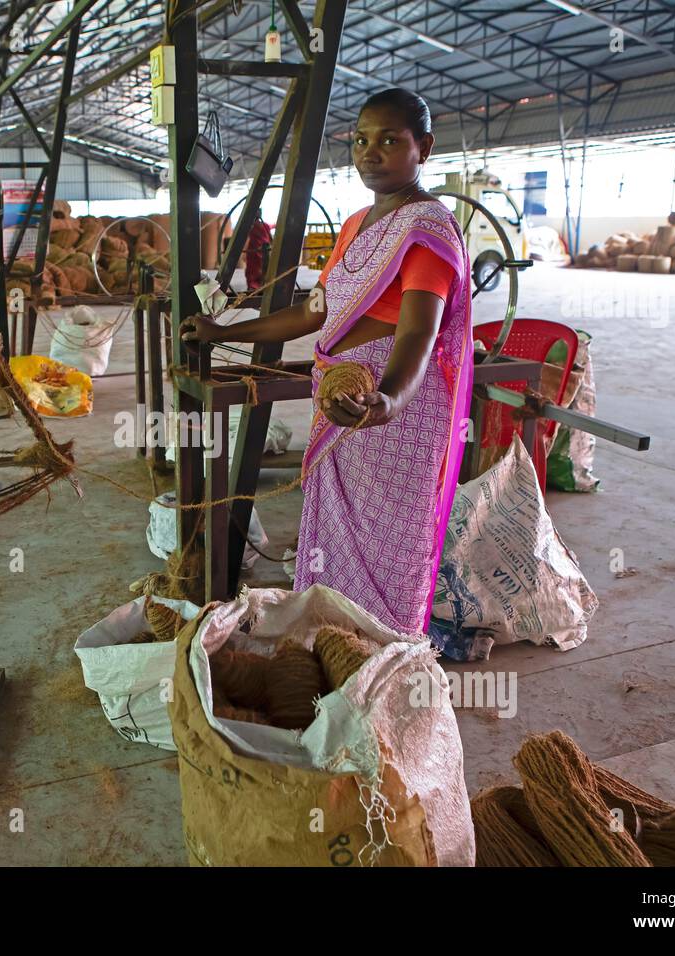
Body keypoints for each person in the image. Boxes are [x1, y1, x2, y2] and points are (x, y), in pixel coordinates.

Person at [183, 88, 472, 635]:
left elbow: (418, 332)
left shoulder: (426, 230)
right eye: (362, 139)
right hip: (340, 399)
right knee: (337, 534)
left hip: (390, 415)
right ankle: (334, 645)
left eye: (389, 140)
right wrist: (226, 331)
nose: (370, 151)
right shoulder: (357, 223)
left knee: (388, 540)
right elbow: (315, 311)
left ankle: (385, 652)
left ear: (424, 148)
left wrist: (388, 400)